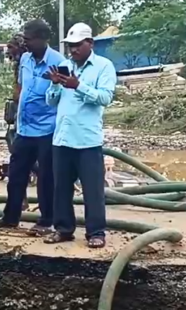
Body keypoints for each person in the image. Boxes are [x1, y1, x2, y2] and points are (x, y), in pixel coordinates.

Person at [44, 22, 117, 248]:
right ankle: (63, 229)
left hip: (87, 140)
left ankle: (96, 232)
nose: (73, 50)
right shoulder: (65, 66)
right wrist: (56, 85)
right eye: (70, 46)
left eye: (77, 45)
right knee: (61, 188)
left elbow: (105, 98)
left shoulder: (104, 67)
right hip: (63, 138)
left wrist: (79, 86)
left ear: (90, 44)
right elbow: (51, 101)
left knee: (92, 190)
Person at [0, 19, 65, 236]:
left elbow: (63, 96)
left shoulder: (58, 62)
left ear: (42, 39)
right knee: (16, 174)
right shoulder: (25, 59)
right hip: (24, 129)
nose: (24, 44)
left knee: (46, 178)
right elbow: (20, 86)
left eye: (28, 39)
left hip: (47, 129)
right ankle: (10, 218)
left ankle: (46, 221)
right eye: (23, 39)